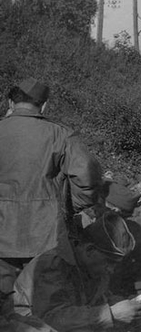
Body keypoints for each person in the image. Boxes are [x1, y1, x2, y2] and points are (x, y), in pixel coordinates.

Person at [13, 212, 141, 332]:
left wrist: (126, 305)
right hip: (27, 324)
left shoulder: (93, 265)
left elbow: (96, 298)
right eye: (109, 262)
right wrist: (111, 314)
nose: (111, 269)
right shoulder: (52, 265)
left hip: (69, 320)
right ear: (89, 250)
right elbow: (51, 317)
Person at [0, 77, 102, 281]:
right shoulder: (61, 134)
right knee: (43, 301)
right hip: (45, 233)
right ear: (44, 106)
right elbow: (88, 179)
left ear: (10, 103)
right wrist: (66, 207)